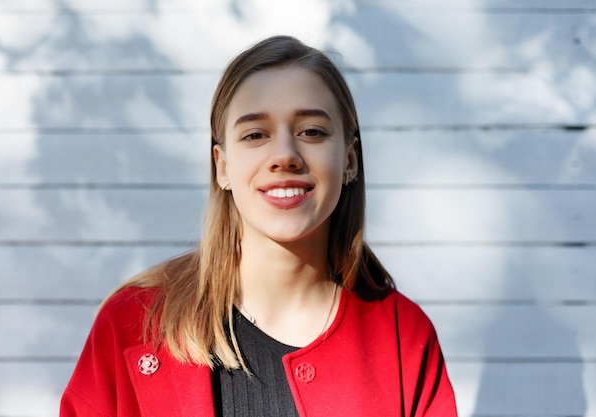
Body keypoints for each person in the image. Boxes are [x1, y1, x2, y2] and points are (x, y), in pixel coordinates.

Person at [60, 35, 458, 417]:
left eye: (312, 131)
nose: (284, 155)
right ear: (223, 166)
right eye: (255, 134)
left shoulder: (404, 339)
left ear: (350, 160)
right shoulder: (132, 324)